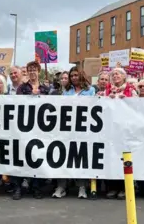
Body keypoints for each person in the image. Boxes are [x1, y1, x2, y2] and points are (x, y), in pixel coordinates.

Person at [52, 66, 95, 199]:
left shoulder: (90, 90)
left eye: (76, 75)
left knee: (80, 158)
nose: (74, 78)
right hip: (67, 129)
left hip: (83, 129)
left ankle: (82, 187)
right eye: (72, 76)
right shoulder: (67, 91)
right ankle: (61, 186)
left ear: (81, 75)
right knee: (64, 157)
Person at [13, 61, 50, 200]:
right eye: (30, 69)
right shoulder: (22, 88)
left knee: (37, 157)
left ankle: (36, 187)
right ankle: (18, 187)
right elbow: (16, 104)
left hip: (40, 128)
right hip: (24, 128)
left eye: (35, 69)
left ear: (39, 71)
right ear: (27, 72)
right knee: (21, 156)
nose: (33, 72)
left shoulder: (45, 88)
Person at [100, 67, 137, 199]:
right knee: (111, 157)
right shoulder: (107, 91)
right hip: (111, 130)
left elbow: (138, 108)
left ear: (124, 77)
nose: (115, 76)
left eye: (118, 74)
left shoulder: (131, 90)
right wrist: (105, 99)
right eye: (113, 74)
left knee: (124, 158)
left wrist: (127, 100)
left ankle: (124, 187)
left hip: (125, 130)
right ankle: (113, 187)